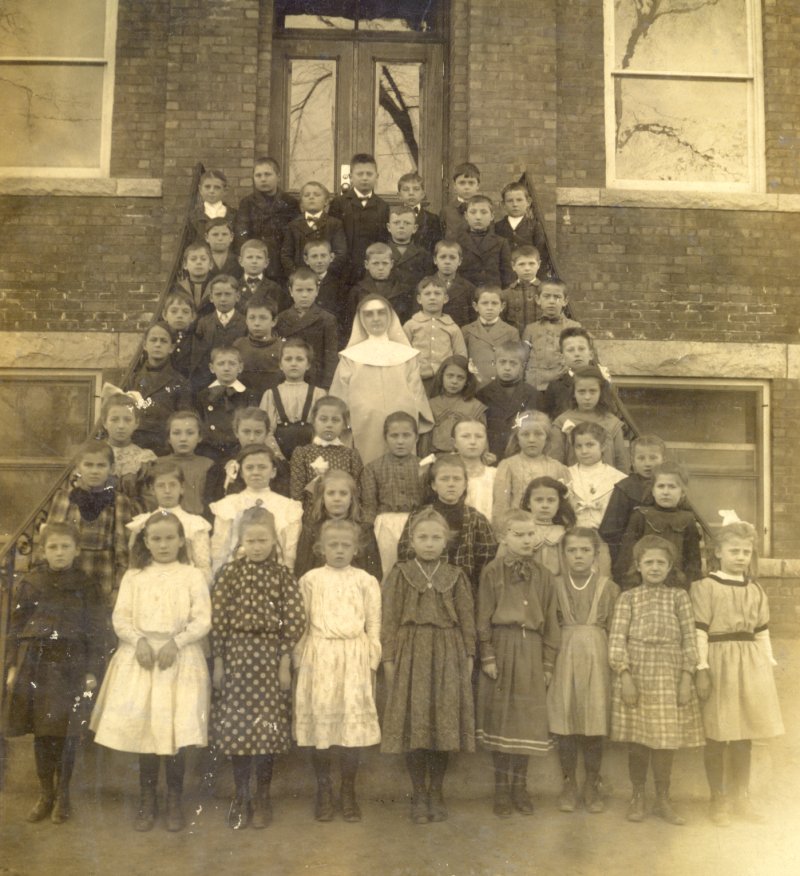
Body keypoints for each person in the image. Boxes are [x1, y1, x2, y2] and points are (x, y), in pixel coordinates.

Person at [90, 512, 212, 832]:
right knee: (146, 733)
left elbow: (202, 620)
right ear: (145, 542)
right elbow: (121, 618)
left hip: (179, 660)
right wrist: (138, 640)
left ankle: (174, 798)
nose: (163, 545)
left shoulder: (192, 575)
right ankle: (148, 798)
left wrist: (178, 641)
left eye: (170, 538)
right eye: (156, 539)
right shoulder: (135, 575)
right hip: (141, 659)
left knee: (175, 733)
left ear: (182, 541)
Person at [211, 506, 306, 830]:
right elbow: (219, 620)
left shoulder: (282, 575)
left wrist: (283, 661)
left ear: (274, 541)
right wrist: (220, 662)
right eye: (250, 540)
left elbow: (293, 620)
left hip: (268, 658)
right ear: (241, 541)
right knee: (238, 731)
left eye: (263, 540)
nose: (257, 546)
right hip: (237, 656)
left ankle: (263, 796)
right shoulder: (229, 574)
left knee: (266, 731)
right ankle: (242, 795)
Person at [5, 522, 104, 824]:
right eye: (53, 547)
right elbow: (16, 626)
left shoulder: (87, 585)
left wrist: (91, 669)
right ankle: (45, 793)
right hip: (37, 664)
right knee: (43, 735)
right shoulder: (31, 582)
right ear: (43, 550)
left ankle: (64, 795)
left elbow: (96, 630)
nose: (59, 553)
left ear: (76, 550)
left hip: (71, 666)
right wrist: (11, 666)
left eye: (65, 547)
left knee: (67, 734)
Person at [381, 508, 476, 823]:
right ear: (411, 540)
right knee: (416, 725)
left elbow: (466, 620)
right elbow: (390, 618)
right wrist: (390, 658)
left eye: (436, 538)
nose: (430, 543)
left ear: (446, 541)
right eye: (423, 537)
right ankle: (418, 794)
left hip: (447, 651)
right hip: (412, 651)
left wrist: (468, 656)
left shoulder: (456, 576)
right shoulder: (400, 573)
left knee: (443, 723)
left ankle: (437, 792)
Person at [692, 520, 784, 825]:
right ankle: (717, 800)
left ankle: (740, 797)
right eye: (734, 550)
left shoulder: (755, 589)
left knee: (745, 734)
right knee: (718, 734)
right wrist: (702, 668)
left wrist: (768, 666)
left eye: (746, 551)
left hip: (751, 664)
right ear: (718, 552)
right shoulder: (705, 587)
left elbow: (762, 632)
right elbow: (700, 632)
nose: (741, 556)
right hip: (719, 662)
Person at [608, 535, 704, 825]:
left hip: (670, 672)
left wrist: (687, 677)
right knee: (638, 740)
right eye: (648, 562)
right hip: (637, 671)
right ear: (637, 566)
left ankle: (663, 797)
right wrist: (624, 675)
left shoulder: (679, 597)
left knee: (665, 741)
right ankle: (638, 796)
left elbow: (690, 639)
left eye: (660, 562)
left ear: (670, 566)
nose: (654, 567)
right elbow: (616, 639)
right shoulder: (628, 598)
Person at [293, 519, 382, 822]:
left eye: (346, 545)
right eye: (333, 545)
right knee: (323, 726)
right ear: (321, 548)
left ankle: (348, 791)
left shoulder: (366, 580)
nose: (340, 550)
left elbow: (374, 625)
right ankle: (324, 790)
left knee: (350, 729)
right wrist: (299, 659)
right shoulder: (310, 580)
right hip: (320, 656)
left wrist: (371, 660)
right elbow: (301, 624)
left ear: (356, 549)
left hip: (354, 656)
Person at [476, 509, 560, 817]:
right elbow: (483, 616)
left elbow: (551, 621)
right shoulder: (492, 572)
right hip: (502, 646)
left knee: (526, 721)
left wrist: (548, 663)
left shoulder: (545, 576)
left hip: (532, 650)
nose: (526, 540)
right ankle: (500, 791)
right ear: (503, 538)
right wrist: (487, 654)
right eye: (518, 534)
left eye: (530, 534)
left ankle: (519, 789)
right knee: (502, 719)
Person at [547, 528, 619, 814]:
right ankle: (569, 783)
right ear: (563, 555)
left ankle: (591, 783)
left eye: (584, 551)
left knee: (593, 720)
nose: (578, 556)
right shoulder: (552, 585)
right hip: (563, 654)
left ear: (595, 554)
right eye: (572, 551)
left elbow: (616, 628)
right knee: (565, 719)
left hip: (597, 656)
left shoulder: (609, 587)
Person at [330, 294, 433, 466]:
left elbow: (418, 397)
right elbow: (338, 400)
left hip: (401, 428)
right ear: (360, 319)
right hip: (364, 428)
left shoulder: (407, 355)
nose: (376, 319)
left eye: (381, 313)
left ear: (390, 316)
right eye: (369, 314)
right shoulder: (350, 357)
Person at [38, 439, 132, 609]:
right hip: (68, 575)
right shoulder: (64, 497)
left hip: (102, 575)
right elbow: (51, 540)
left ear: (111, 469)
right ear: (77, 468)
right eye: (88, 465)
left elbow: (123, 549)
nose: (94, 471)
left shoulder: (118, 501)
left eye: (101, 465)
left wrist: (118, 587)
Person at [397, 454, 497, 596]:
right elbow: (405, 553)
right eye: (444, 479)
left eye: (457, 479)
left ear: (465, 484)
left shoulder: (476, 519)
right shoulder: (419, 516)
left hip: (465, 592)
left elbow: (487, 559)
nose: (451, 484)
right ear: (433, 485)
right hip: (425, 589)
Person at [210, 444, 303, 572]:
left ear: (273, 472)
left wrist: (287, 575)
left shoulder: (287, 506)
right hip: (235, 575)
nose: (255, 472)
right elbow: (220, 549)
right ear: (241, 472)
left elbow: (290, 550)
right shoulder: (229, 504)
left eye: (262, 467)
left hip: (275, 575)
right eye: (249, 468)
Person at [615, 462, 702, 590]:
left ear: (682, 492)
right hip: (642, 583)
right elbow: (627, 556)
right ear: (653, 491)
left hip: (675, 585)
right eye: (661, 486)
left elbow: (693, 559)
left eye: (672, 487)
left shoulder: (687, 519)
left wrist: (688, 585)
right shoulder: (640, 516)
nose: (666, 492)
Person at [360, 411, 426, 578]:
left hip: (417, 523)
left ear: (416, 438)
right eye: (394, 436)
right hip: (385, 525)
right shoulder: (372, 468)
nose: (400, 441)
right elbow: (369, 505)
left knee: (416, 571)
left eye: (406, 435)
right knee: (387, 570)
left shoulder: (425, 467)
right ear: (385, 437)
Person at [127, 461, 212, 584]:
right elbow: (134, 566)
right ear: (152, 489)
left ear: (182, 488)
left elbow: (203, 566)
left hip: (185, 586)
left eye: (173, 485)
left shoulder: (194, 524)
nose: (167, 490)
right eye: (161, 485)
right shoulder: (142, 524)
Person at [295, 469, 381, 580]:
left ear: (352, 498)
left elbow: (374, 572)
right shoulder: (311, 530)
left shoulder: (364, 530)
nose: (337, 498)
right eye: (331, 493)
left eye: (343, 493)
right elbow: (302, 571)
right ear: (322, 498)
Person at [565, 422, 626, 575]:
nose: (584, 451)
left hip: (603, 542)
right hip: (573, 540)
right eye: (578, 446)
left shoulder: (618, 479)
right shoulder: (565, 475)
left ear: (603, 446)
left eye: (590, 445)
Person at [599, 433, 666, 568]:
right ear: (632, 461)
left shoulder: (669, 486)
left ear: (663, 460)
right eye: (641, 458)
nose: (647, 463)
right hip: (632, 558)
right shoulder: (625, 488)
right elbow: (610, 531)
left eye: (653, 458)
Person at [492, 410, 568, 527]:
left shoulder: (558, 468)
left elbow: (566, 506)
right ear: (517, 438)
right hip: (518, 531)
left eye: (538, 434)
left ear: (547, 438)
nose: (531, 439)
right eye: (525, 434)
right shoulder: (508, 465)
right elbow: (501, 506)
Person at [234, 156, 300, 287]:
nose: (263, 179)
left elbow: (295, 235)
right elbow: (241, 235)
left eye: (267, 174)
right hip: (257, 263)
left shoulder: (290, 202)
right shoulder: (247, 203)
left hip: (283, 264)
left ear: (278, 176)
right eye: (258, 175)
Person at [289, 395, 363, 511]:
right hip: (311, 516)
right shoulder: (303, 453)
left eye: (335, 420)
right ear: (313, 421)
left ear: (344, 424)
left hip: (343, 515)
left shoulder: (351, 455)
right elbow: (297, 495)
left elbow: (356, 491)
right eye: (323, 419)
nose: (329, 424)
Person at [551, 365, 630, 473]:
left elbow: (621, 464)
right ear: (574, 393)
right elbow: (555, 464)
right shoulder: (562, 422)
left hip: (607, 485)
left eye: (593, 391)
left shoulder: (612, 423)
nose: (587, 397)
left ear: (601, 392)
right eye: (581, 392)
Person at [129, 322, 193, 453]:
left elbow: (183, 419)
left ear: (171, 347)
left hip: (164, 446)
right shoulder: (133, 379)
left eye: (163, 341)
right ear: (145, 345)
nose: (158, 344)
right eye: (153, 340)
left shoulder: (180, 382)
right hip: (135, 444)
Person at [260, 339, 325, 465]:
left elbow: (320, 429)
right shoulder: (271, 395)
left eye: (299, 359)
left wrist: (311, 455)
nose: (293, 363)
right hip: (279, 456)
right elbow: (266, 431)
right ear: (280, 365)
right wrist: (279, 458)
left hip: (312, 457)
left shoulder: (318, 394)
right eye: (288, 359)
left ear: (308, 365)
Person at [329, 152, 391, 284]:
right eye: (360, 174)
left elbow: (383, 239)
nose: (364, 178)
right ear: (351, 177)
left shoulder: (383, 206)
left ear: (377, 177)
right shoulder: (339, 203)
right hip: (345, 268)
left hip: (372, 268)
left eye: (369, 174)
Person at [476, 340, 541, 459]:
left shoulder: (532, 394)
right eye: (502, 362)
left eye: (513, 363)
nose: (507, 368)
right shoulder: (483, 394)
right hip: (492, 453)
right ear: (494, 363)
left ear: (522, 366)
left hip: (520, 452)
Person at [275, 268, 339, 389]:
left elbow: (331, 356)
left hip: (316, 379)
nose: (304, 295)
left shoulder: (327, 319)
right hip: (288, 377)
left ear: (317, 291)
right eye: (299, 290)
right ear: (291, 291)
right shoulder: (281, 318)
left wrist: (327, 385)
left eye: (309, 290)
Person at [403, 277, 467, 392]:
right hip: (417, 381)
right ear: (419, 299)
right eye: (427, 294)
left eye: (437, 294)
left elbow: (461, 356)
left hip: (444, 384)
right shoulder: (410, 325)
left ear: (445, 298)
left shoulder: (452, 327)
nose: (432, 297)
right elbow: (402, 354)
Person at [196, 346, 256, 462]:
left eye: (232, 364)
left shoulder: (248, 395)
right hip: (209, 451)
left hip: (239, 450)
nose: (226, 368)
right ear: (212, 368)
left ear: (240, 368)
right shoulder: (202, 396)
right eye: (221, 364)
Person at [190, 275, 247, 391]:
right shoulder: (204, 323)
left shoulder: (245, 322)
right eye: (218, 294)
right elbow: (199, 356)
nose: (223, 299)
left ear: (237, 297)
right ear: (211, 297)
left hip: (237, 378)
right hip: (209, 379)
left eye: (228, 294)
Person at [522, 280, 582, 391]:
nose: (552, 301)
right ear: (538, 300)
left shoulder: (574, 327)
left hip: (562, 388)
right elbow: (523, 361)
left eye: (557, 297)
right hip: (535, 387)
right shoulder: (530, 329)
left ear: (565, 301)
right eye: (546, 296)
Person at [280, 180, 347, 278]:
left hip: (327, 278)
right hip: (301, 278)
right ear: (301, 203)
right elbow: (286, 255)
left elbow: (340, 253)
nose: (311, 197)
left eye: (317, 195)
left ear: (326, 201)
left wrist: (325, 274)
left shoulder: (334, 224)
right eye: (307, 195)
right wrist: (296, 274)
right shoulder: (293, 225)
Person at [423, 355, 486, 456]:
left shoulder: (475, 406)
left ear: (467, 381)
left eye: (460, 378)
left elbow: (482, 440)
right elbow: (424, 442)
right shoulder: (431, 404)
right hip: (437, 459)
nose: (454, 381)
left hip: (466, 459)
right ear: (441, 376)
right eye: (450, 376)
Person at [100, 392, 157, 506]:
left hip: (130, 515)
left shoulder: (143, 458)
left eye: (127, 420)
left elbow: (151, 498)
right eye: (114, 419)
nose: (121, 426)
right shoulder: (95, 454)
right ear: (104, 422)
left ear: (136, 423)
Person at [463, 285, 520, 388]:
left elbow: (516, 361)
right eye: (484, 303)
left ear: (502, 306)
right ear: (475, 306)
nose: (489, 308)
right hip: (475, 385)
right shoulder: (467, 330)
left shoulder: (511, 332)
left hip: (501, 386)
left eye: (494, 303)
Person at [453, 195, 515, 289]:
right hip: (465, 293)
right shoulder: (456, 242)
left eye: (484, 212)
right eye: (473, 212)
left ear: (492, 216)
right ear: (466, 216)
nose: (478, 217)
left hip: (492, 294)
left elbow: (507, 275)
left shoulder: (501, 242)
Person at [520, 476, 576, 578]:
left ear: (559, 504)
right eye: (539, 500)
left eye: (551, 500)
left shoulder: (563, 533)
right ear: (528, 503)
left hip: (556, 586)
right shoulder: (519, 530)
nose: (545, 505)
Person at [161, 410, 215, 517]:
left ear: (199, 437)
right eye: (176, 433)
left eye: (190, 433)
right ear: (168, 438)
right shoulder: (158, 464)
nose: (183, 439)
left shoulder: (208, 465)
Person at [233, 295, 284, 400]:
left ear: (274, 321)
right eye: (252, 318)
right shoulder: (239, 345)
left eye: (263, 318)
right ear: (246, 320)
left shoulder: (282, 348)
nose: (256, 323)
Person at [349, 241, 410, 325]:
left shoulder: (402, 290)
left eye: (385, 263)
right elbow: (352, 321)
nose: (380, 268)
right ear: (366, 264)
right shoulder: (358, 290)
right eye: (375, 263)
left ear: (391, 264)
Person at [542, 327, 597, 419]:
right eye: (571, 350)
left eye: (581, 349)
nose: (577, 354)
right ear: (562, 357)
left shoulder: (601, 383)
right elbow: (548, 420)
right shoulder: (555, 387)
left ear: (591, 354)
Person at [452, 418, 495, 521]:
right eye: (465, 436)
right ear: (454, 443)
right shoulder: (448, 475)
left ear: (486, 442)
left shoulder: (495, 474)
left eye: (479, 436)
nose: (473, 442)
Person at [424, 240, 475, 328]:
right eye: (442, 257)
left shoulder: (469, 288)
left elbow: (472, 320)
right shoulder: (424, 285)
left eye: (452, 258)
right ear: (435, 260)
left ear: (460, 261)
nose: (447, 262)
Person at [494, 183, 547, 261]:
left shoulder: (535, 226)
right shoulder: (497, 227)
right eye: (510, 201)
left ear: (528, 202)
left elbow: (541, 253)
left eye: (519, 200)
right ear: (503, 204)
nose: (515, 204)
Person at [303, 239, 348, 330]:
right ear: (306, 260)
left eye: (323, 256)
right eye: (314, 256)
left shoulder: (339, 285)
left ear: (331, 257)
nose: (319, 261)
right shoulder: (300, 283)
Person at [386, 204, 432, 294]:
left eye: (407, 223)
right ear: (389, 227)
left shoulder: (423, 254)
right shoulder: (381, 252)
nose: (401, 226)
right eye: (396, 223)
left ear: (414, 228)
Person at [397, 171, 442, 255]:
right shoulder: (393, 217)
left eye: (416, 189)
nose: (411, 193)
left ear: (423, 194)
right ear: (399, 195)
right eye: (406, 189)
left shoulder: (433, 219)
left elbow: (436, 247)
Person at [190, 168, 237, 242]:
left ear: (225, 191)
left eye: (217, 187)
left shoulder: (234, 215)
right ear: (200, 190)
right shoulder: (194, 216)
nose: (211, 191)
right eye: (207, 187)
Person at [237, 238, 285, 310]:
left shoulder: (274, 288)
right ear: (241, 261)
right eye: (249, 257)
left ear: (266, 263)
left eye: (259, 258)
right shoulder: (234, 287)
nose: (254, 261)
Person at [503, 245, 541, 332]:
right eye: (521, 264)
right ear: (513, 266)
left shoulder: (546, 291)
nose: (527, 268)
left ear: (539, 264)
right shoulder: (506, 294)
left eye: (531, 264)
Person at [441, 161, 481, 241]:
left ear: (478, 186)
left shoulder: (484, 209)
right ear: (455, 186)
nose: (466, 187)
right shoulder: (447, 211)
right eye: (462, 183)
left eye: (471, 183)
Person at [173, 241, 213, 314]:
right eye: (193, 259)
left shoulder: (216, 288)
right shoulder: (177, 288)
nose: (198, 262)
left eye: (203, 259)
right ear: (185, 265)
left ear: (210, 265)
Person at [162, 290, 196, 377]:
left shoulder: (196, 341)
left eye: (185, 312)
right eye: (174, 311)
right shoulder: (160, 339)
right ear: (165, 315)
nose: (179, 315)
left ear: (193, 317)